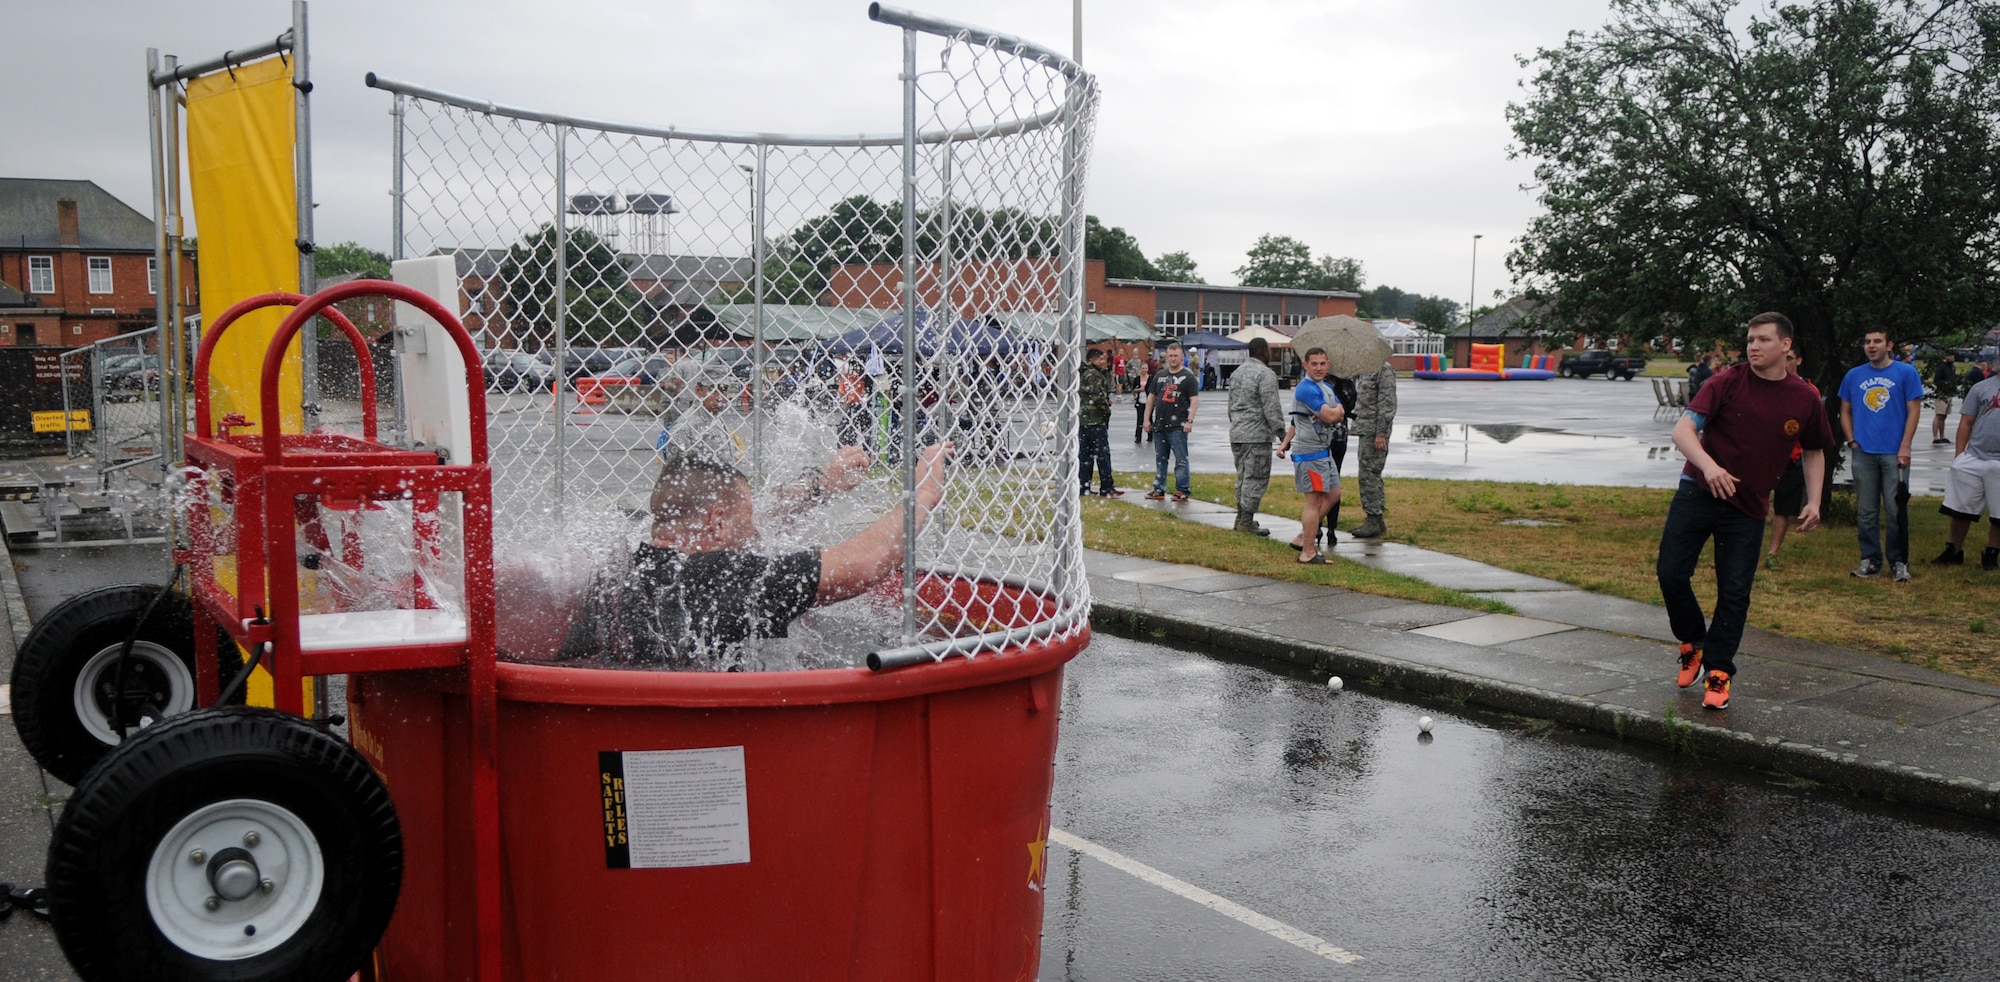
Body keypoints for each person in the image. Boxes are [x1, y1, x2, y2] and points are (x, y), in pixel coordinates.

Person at [561, 441, 953, 670]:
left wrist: (822, 487)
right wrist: (925, 493)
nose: (757, 532)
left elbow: (764, 513)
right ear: (716, 523)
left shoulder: (626, 568)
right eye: (746, 520)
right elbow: (867, 562)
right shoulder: (726, 575)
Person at [1659, 312, 1833, 710]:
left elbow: (1813, 450)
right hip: (1699, 492)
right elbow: (1683, 430)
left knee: (1735, 592)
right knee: (1671, 574)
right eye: (1750, 339)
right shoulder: (1726, 381)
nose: (1754, 346)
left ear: (1785, 346)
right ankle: (1693, 642)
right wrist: (1710, 466)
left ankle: (1718, 672)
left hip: (1748, 507)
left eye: (1763, 340)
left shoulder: (1804, 397)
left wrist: (1813, 500)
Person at [1837, 326, 1926, 582]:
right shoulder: (1854, 376)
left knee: (1896, 509)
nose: (1871, 346)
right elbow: (1845, 409)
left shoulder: (1905, 373)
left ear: (1890, 345)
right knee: (1866, 512)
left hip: (1893, 453)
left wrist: (1905, 445)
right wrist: (1852, 440)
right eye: (1867, 342)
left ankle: (1899, 562)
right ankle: (1870, 561)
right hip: (1864, 452)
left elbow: (1914, 411)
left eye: (1877, 341)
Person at [1931, 347, 2000, 571]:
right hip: (1975, 457)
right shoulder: (1981, 388)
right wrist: (1959, 457)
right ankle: (1954, 550)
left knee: (1999, 514)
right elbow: (1966, 423)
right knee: (1961, 509)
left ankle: (1991, 553)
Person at [1277, 347, 1346, 565]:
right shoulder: (1305, 389)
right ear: (1305, 365)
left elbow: (1339, 411)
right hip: (1310, 454)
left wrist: (1284, 443)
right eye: (1314, 364)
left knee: (1334, 493)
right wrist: (1334, 414)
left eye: (1322, 363)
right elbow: (1330, 414)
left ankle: (1303, 536)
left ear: (1328, 365)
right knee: (1313, 501)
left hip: (1324, 452)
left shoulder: (1326, 387)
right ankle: (1308, 551)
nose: (1318, 368)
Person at [1764, 348, 1818, 570]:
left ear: (1799, 360)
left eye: (1789, 359)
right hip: (1765, 456)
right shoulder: (1767, 387)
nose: (1785, 363)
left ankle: (1772, 552)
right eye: (1782, 358)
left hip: (1793, 458)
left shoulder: (1809, 391)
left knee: (1784, 509)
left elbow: (1815, 435)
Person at [1226, 337, 1286, 534]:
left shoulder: (1237, 373)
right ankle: (1246, 521)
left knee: (1243, 477)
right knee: (1256, 478)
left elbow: (1230, 406)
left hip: (1238, 433)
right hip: (1257, 435)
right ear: (1263, 351)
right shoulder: (1266, 374)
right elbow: (1272, 408)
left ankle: (1241, 517)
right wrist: (1281, 433)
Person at [1346, 359, 1399, 539]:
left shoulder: (1383, 369)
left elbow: (1387, 404)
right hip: (1366, 430)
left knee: (1369, 475)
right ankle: (1376, 519)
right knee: (1369, 474)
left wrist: (1381, 434)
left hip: (1375, 433)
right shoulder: (1365, 369)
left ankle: (1373, 519)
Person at [1144, 342, 1200, 501]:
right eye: (1171, 356)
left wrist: (1190, 420)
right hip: (1160, 424)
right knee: (1160, 459)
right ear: (1166, 356)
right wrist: (1146, 419)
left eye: (1176, 356)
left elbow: (1194, 400)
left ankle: (1182, 489)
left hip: (1178, 425)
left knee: (1181, 459)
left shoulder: (1188, 377)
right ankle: (1158, 488)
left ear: (1182, 357)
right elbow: (1151, 398)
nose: (1173, 359)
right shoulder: (1160, 375)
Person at [1078, 347, 1123, 497]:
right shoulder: (1093, 374)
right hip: (1094, 420)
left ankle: (1084, 486)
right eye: (1101, 359)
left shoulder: (1087, 373)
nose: (1105, 362)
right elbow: (1097, 396)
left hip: (1085, 421)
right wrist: (1105, 408)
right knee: (1102, 455)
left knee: (1086, 457)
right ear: (1093, 360)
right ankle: (1106, 487)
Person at [1931, 351, 1961, 445]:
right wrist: (1944, 385)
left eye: (1953, 356)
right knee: (1939, 414)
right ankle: (1935, 436)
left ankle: (1942, 435)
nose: (1952, 357)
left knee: (1944, 415)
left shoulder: (1952, 367)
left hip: (1949, 393)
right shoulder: (1942, 367)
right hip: (1942, 393)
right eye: (1950, 355)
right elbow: (1936, 380)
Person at [1131, 358, 1151, 444]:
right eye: (1143, 368)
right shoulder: (1137, 379)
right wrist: (1140, 389)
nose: (1144, 370)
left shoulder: (1151, 378)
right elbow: (1134, 389)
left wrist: (1146, 390)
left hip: (1149, 401)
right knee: (1140, 419)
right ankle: (1138, 437)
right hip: (1140, 401)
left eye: (1146, 368)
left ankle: (1150, 436)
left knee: (1149, 419)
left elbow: (1153, 390)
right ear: (1140, 369)